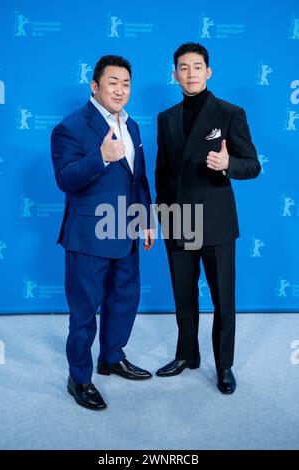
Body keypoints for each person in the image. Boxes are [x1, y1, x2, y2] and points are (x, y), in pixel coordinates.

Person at [155, 42, 260, 394]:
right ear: (174, 74)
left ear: (208, 71)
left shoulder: (230, 113)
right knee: (183, 296)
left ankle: (224, 366)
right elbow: (161, 172)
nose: (190, 73)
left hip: (214, 219)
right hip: (177, 217)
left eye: (197, 67)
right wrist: (161, 215)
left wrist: (228, 164)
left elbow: (253, 165)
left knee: (222, 300)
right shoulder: (166, 118)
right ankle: (187, 354)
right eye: (183, 67)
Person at [51, 55, 155, 410]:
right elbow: (65, 178)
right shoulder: (70, 127)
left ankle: (111, 356)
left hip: (125, 231)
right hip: (88, 238)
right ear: (95, 86)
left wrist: (147, 218)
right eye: (113, 83)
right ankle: (79, 378)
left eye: (126, 84)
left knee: (125, 301)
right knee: (83, 314)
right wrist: (101, 158)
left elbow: (138, 180)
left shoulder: (134, 127)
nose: (120, 90)